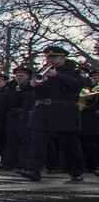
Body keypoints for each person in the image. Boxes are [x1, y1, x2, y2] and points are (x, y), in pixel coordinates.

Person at [19, 45, 86, 182]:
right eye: (48, 57)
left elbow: (76, 85)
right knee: (37, 140)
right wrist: (31, 84)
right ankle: (33, 169)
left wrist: (56, 76)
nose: (50, 60)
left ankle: (76, 170)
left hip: (64, 111)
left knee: (69, 143)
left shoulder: (73, 71)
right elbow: (24, 87)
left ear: (62, 58)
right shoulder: (41, 71)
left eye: (53, 57)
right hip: (43, 110)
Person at [0, 65, 35, 171]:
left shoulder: (32, 85)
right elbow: (5, 102)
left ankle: (23, 163)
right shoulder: (11, 86)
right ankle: (9, 162)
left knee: (25, 140)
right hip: (13, 116)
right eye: (17, 75)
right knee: (11, 140)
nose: (19, 77)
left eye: (22, 75)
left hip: (27, 114)